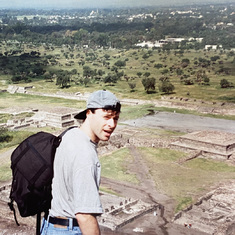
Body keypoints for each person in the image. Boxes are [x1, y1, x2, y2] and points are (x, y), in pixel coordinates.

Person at [40, 90, 121, 235]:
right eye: (107, 117)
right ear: (89, 113)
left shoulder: (70, 134)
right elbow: (85, 215)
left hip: (51, 225)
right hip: (68, 230)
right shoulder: (85, 154)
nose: (112, 124)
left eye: (116, 118)